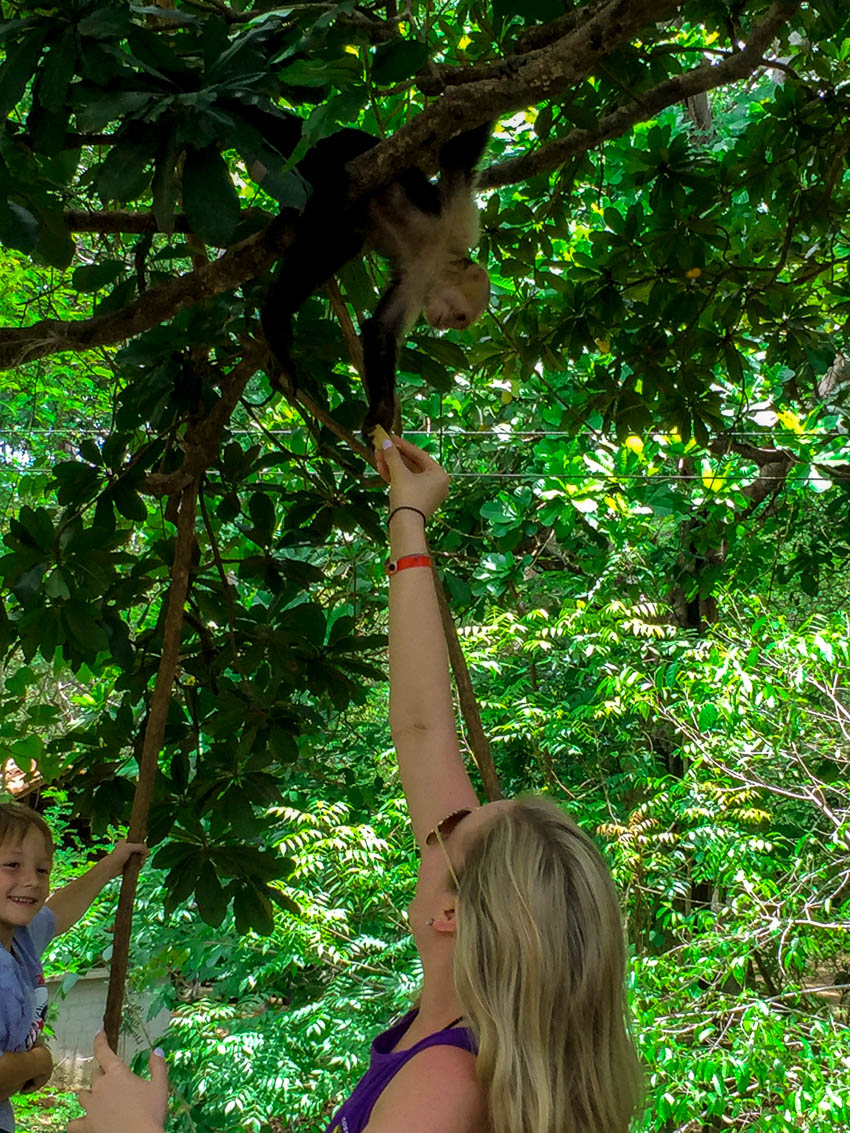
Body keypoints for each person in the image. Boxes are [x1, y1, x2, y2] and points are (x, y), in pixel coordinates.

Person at [70, 431, 643, 1133]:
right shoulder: (465, 1031)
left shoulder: (444, 1083)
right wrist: (409, 519)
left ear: (452, 915)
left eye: (461, 824)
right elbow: (425, 728)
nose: (442, 812)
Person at [0, 801, 147, 1133]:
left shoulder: (18, 937)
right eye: (12, 864)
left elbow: (57, 914)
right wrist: (38, 1061)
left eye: (42, 870)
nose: (32, 881)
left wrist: (112, 864)